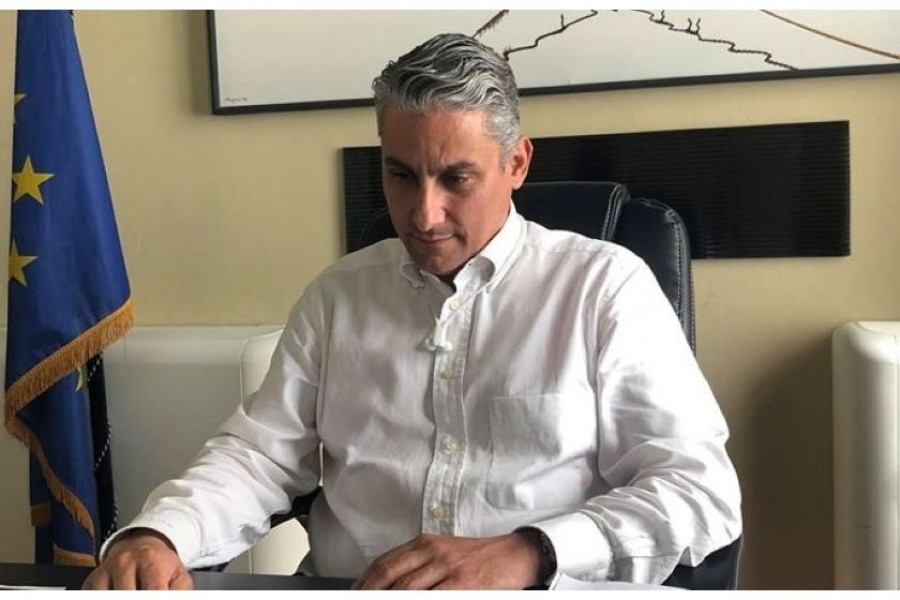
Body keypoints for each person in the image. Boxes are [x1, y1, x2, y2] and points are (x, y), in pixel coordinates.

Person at [84, 32, 742, 590]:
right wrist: (160, 533)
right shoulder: (339, 296)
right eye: (401, 175)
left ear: (516, 163)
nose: (424, 215)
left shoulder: (604, 289)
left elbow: (698, 492)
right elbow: (260, 458)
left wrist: (531, 551)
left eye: (457, 178)